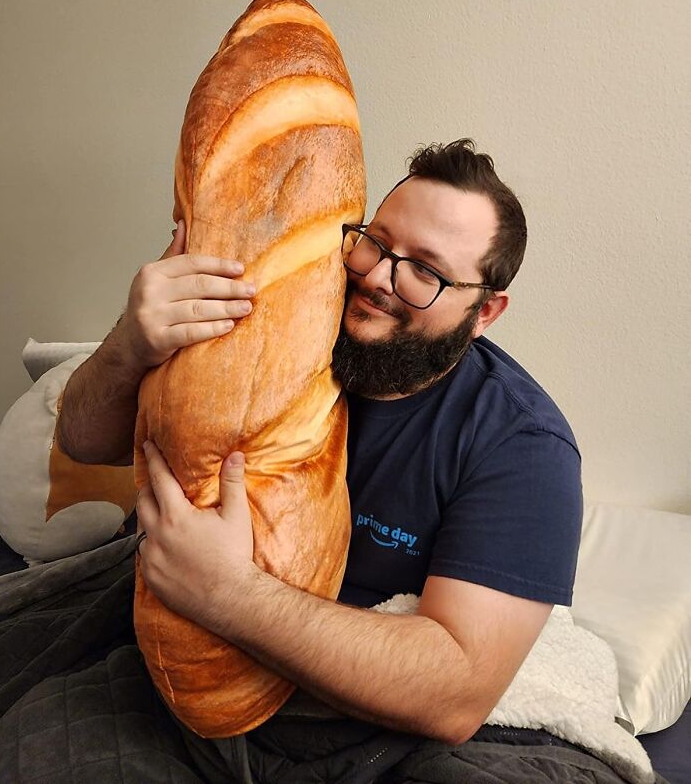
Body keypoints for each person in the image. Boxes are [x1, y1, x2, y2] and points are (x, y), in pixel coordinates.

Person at [57, 138, 582, 766]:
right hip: (174, 661)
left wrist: (227, 592)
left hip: (356, 725)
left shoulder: (522, 445)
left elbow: (455, 694)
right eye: (376, 242)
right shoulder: (271, 319)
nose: (378, 277)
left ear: (485, 311)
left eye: (425, 271)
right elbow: (82, 441)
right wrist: (131, 342)